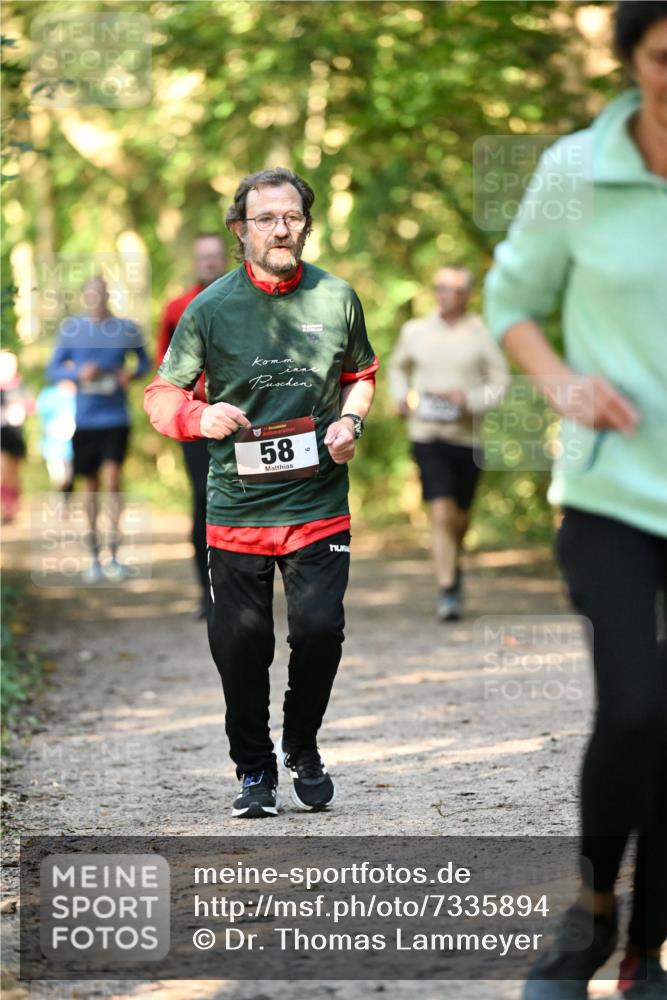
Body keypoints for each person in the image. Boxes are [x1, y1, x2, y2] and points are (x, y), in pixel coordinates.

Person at [485, 4, 667, 998]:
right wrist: (561, 384)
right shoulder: (571, 171)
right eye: (665, 59)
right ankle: (592, 912)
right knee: (636, 704)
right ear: (630, 59)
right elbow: (510, 302)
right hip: (609, 494)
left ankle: (650, 946)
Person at [145, 167, 377, 819]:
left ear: (305, 223)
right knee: (243, 647)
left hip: (317, 504)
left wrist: (350, 422)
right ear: (240, 229)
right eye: (266, 218)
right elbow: (162, 394)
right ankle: (254, 770)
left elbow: (362, 373)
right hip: (237, 512)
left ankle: (301, 745)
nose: (281, 228)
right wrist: (199, 417)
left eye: (292, 217)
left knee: (319, 629)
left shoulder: (336, 297)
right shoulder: (210, 308)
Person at [389, 266, 508, 621]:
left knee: (460, 517)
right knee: (440, 510)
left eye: (454, 290)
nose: (445, 295)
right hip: (426, 433)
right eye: (440, 288)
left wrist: (469, 400)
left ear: (467, 294)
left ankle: (453, 563)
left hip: (467, 437)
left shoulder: (481, 334)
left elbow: (500, 383)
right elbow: (397, 368)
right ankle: (447, 588)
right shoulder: (416, 331)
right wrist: (400, 397)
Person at [47, 275, 150, 582]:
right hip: (86, 420)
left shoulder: (126, 328)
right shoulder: (72, 330)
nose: (98, 298)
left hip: (116, 418)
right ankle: (95, 556)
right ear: (85, 297)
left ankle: (116, 553)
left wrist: (128, 375)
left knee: (113, 479)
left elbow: (145, 362)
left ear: (108, 296)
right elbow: (52, 368)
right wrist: (80, 372)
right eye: (92, 294)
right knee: (90, 487)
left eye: (102, 293)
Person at [156, 233, 227, 620]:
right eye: (204, 257)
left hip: (244, 421)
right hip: (198, 422)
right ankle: (207, 591)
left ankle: (244, 587)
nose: (210, 263)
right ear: (195, 262)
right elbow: (165, 373)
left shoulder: (248, 302)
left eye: (216, 256)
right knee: (204, 497)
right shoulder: (176, 308)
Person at [0, 351, 31, 525]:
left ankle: (14, 506)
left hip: (16, 432)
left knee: (14, 473)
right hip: (1, 432)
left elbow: (30, 405)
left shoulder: (20, 386)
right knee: (3, 471)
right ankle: (5, 508)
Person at [36, 379, 76, 500]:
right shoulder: (48, 395)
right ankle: (60, 505)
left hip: (72, 445)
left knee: (69, 478)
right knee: (59, 477)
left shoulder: (76, 393)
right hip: (53, 445)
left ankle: (66, 505)